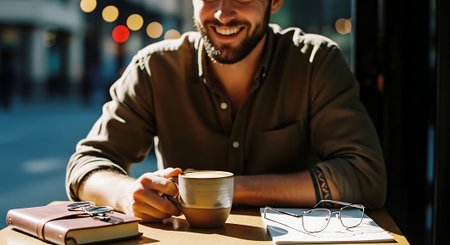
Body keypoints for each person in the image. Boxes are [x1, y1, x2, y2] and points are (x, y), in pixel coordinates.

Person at [66, 0, 386, 222]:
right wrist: (126, 193)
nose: (222, 14)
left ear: (274, 3)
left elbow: (366, 178)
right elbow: (86, 166)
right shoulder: (154, 68)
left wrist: (221, 190)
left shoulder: (316, 62)